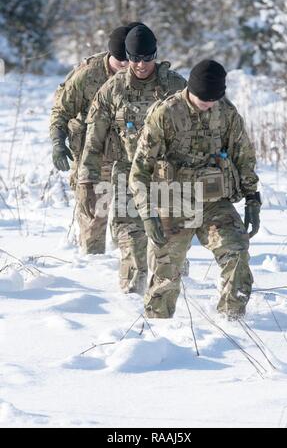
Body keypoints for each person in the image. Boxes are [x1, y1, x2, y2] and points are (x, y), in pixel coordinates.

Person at [129, 60, 261, 320]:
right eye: (203, 99)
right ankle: (158, 328)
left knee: (236, 252)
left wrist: (252, 198)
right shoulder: (165, 114)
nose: (208, 105)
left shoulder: (226, 113)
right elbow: (140, 171)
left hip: (214, 201)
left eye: (213, 99)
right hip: (174, 201)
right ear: (190, 89)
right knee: (166, 271)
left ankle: (233, 321)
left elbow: (244, 157)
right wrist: (147, 214)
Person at [78, 24, 186, 294]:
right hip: (128, 173)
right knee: (131, 241)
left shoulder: (175, 85)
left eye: (147, 58)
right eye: (135, 58)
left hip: (168, 174)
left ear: (156, 55)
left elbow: (206, 123)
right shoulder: (112, 89)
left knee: (171, 246)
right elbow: (94, 138)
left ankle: (178, 304)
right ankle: (130, 302)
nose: (141, 65)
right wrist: (88, 180)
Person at [50, 23, 141, 254]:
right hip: (94, 156)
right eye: (121, 62)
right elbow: (61, 110)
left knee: (133, 221)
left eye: (129, 61)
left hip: (130, 157)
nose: (125, 68)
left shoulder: (141, 74)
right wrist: (58, 142)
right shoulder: (88, 74)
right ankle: (93, 273)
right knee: (93, 221)